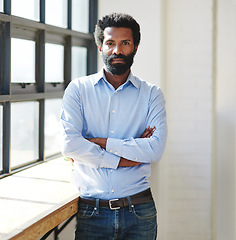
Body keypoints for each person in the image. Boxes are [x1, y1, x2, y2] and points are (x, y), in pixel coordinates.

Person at [60, 13, 167, 240]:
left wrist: (101, 142)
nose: (117, 50)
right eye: (110, 43)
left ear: (135, 48)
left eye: (125, 43)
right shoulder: (78, 90)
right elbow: (70, 145)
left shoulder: (151, 95)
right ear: (100, 47)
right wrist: (128, 156)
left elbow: (155, 150)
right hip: (92, 211)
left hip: (140, 211)